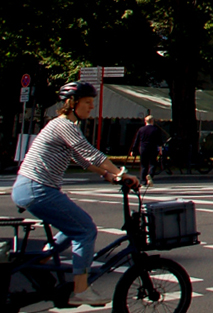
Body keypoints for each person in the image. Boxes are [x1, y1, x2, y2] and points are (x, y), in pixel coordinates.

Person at [11, 82, 140, 307]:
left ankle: (40, 262)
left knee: (73, 228)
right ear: (73, 103)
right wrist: (122, 172)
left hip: (33, 188)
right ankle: (81, 289)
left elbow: (82, 160)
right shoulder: (64, 125)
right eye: (88, 102)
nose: (91, 107)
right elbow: (89, 152)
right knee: (85, 230)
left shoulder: (65, 126)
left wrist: (109, 176)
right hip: (37, 188)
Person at [129, 115, 166, 186]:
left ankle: (143, 181)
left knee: (143, 165)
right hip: (153, 148)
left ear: (145, 121)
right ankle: (150, 176)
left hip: (143, 148)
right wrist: (160, 150)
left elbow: (136, 140)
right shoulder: (156, 129)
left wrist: (133, 150)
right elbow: (159, 141)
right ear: (152, 121)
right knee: (152, 164)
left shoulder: (141, 129)